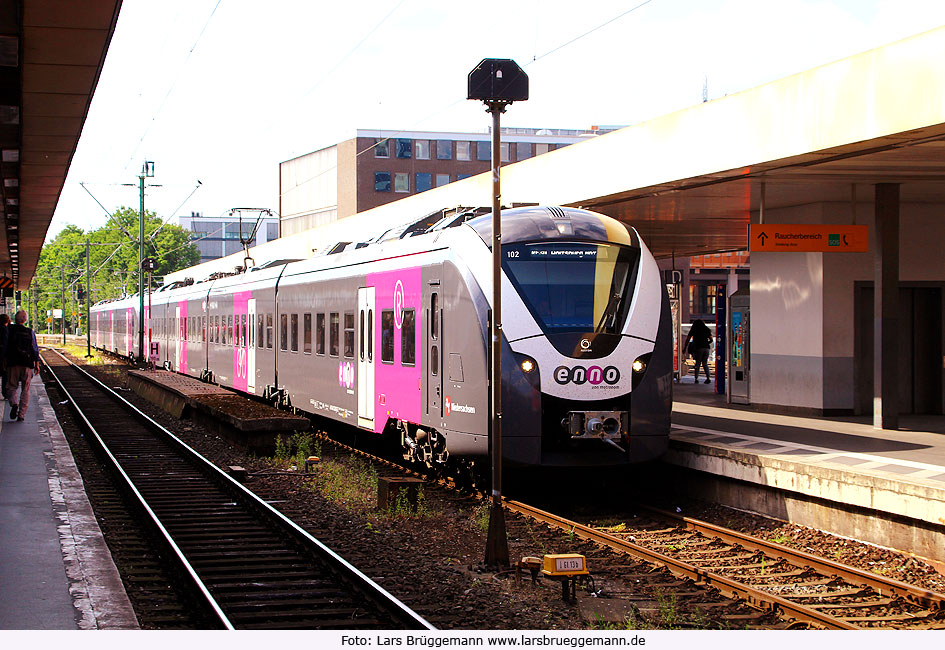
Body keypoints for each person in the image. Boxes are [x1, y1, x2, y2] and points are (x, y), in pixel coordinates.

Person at [6, 310, 40, 421]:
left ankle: (14, 403)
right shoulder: (30, 332)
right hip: (27, 364)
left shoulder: (9, 330)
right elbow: (35, 349)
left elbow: (4, 345)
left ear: (15, 319)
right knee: (26, 390)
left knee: (11, 386)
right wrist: (37, 364)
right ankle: (21, 414)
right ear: (25, 320)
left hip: (13, 363)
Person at [683, 319, 713, 384]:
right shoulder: (706, 329)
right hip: (706, 348)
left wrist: (685, 348)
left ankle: (696, 379)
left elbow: (687, 339)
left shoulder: (694, 329)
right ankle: (708, 378)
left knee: (698, 363)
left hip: (698, 348)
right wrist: (706, 342)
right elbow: (711, 339)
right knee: (705, 363)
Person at [0, 313, 9, 399]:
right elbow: (5, 342)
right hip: (2, 356)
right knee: (5, 375)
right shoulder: (5, 329)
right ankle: (5, 393)